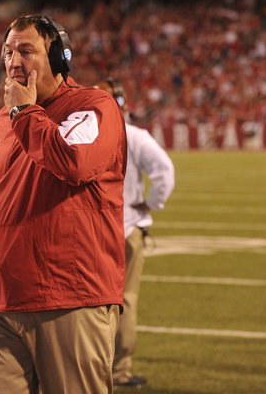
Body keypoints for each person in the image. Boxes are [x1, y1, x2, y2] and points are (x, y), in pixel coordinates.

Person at [0, 15, 127, 393]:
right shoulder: (4, 119)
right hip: (0, 298)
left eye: (26, 51)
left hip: (67, 297)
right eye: (8, 52)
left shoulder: (92, 105)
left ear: (57, 57)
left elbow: (75, 162)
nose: (13, 62)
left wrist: (24, 112)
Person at [96, 78, 175, 388]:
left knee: (88, 303)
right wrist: (150, 203)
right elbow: (164, 173)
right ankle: (118, 371)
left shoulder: (84, 134)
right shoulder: (134, 136)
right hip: (127, 228)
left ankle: (87, 367)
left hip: (93, 230)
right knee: (124, 301)